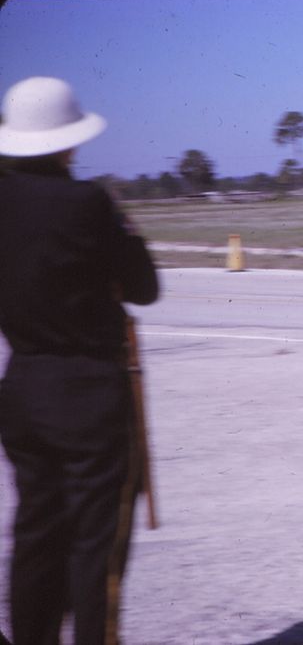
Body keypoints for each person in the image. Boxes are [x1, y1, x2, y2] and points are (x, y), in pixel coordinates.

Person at [0, 77, 159, 644]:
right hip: (89, 393)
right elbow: (144, 288)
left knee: (37, 533)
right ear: (69, 141)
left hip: (21, 386)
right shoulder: (91, 202)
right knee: (97, 544)